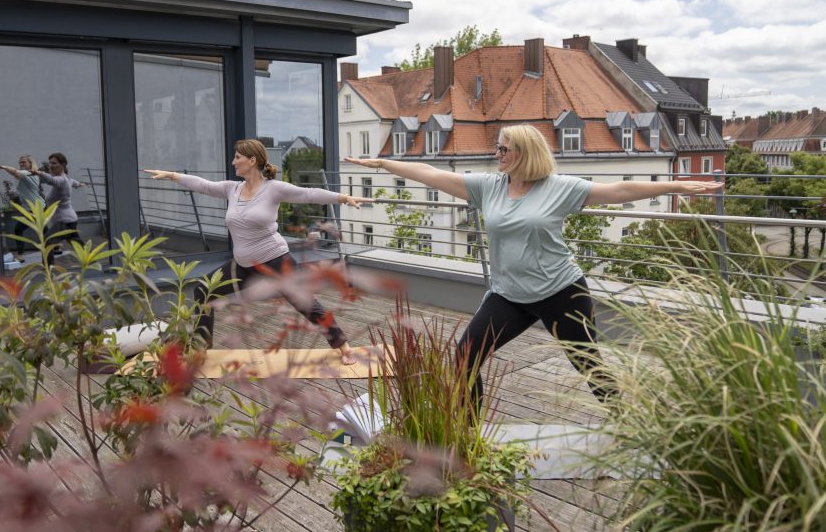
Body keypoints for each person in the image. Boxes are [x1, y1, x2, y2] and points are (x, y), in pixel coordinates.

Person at [345, 124, 724, 407]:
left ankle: (627, 423)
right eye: (498, 148)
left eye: (503, 149)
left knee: (589, 366)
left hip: (562, 294)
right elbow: (433, 175)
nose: (497, 154)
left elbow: (621, 190)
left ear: (522, 152)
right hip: (508, 295)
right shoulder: (489, 186)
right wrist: (382, 163)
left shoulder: (559, 188)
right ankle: (468, 439)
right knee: (463, 361)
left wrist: (675, 186)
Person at [145, 138, 372, 365]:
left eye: (237, 157)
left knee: (306, 304)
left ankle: (343, 346)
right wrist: (173, 176)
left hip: (275, 261)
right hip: (243, 265)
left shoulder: (273, 189)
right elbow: (203, 185)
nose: (233, 162)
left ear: (252, 160)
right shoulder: (232, 189)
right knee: (204, 291)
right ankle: (202, 348)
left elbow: (308, 194)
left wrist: (342, 198)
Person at [31, 152, 84, 263]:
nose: (51, 165)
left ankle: (47, 270)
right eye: (50, 163)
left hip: (63, 221)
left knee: (47, 242)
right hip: (70, 219)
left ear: (63, 165)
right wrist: (80, 184)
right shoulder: (67, 179)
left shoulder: (61, 180)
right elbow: (73, 182)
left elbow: (52, 180)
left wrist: (39, 173)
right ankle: (93, 263)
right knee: (77, 244)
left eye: (54, 163)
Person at [0, 155, 44, 262]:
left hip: (35, 209)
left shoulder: (29, 173)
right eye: (20, 163)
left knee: (19, 229)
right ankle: (55, 247)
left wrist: (4, 167)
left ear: (30, 163)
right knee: (43, 231)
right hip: (34, 208)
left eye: (24, 162)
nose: (21, 164)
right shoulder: (28, 174)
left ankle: (21, 255)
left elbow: (14, 172)